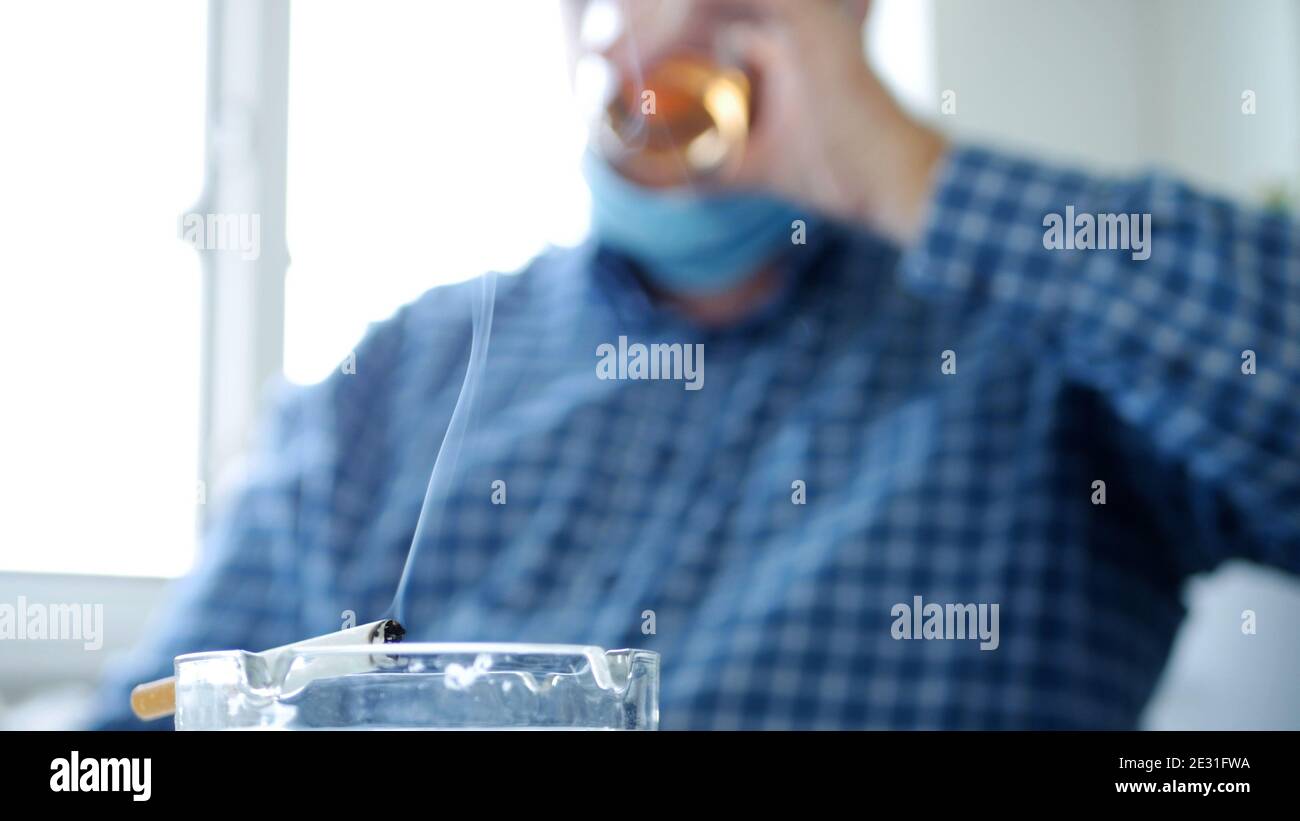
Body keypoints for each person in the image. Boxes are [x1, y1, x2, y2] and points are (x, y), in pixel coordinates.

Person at [90, 0, 1298, 729]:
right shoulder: (404, 375)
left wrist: (908, 175)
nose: (657, 29)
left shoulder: (1045, 349)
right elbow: (124, 746)